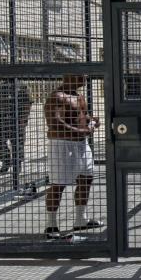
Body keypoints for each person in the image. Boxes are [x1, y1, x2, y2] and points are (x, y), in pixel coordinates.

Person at [43, 75, 103, 239]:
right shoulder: (56, 97)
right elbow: (54, 122)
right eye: (80, 75)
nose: (85, 78)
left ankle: (80, 219)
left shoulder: (79, 96)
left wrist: (92, 120)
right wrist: (81, 131)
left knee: (86, 178)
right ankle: (51, 225)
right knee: (58, 184)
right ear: (69, 76)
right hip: (62, 145)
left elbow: (82, 115)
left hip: (82, 144)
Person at [0, 78, 32, 175]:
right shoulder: (0, 87)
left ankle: (17, 163)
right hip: (2, 118)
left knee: (18, 142)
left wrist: (24, 118)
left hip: (17, 118)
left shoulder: (22, 86)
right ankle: (6, 160)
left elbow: (28, 104)